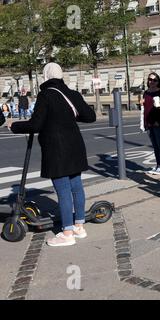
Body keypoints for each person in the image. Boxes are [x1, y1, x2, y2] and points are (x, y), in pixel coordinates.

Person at [9, 62, 96, 247]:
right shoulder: (71, 93)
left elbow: (36, 124)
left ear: (46, 76)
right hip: (75, 145)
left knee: (63, 190)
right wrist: (68, 115)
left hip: (57, 148)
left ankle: (67, 233)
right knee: (76, 186)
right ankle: (79, 226)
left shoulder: (46, 94)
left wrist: (14, 126)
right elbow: (90, 116)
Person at [140, 72, 160, 175]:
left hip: (158, 122)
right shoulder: (146, 93)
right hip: (149, 122)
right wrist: (141, 103)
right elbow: (144, 108)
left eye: (155, 80)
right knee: (155, 146)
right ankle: (158, 164)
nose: (152, 82)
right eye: (150, 80)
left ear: (158, 82)